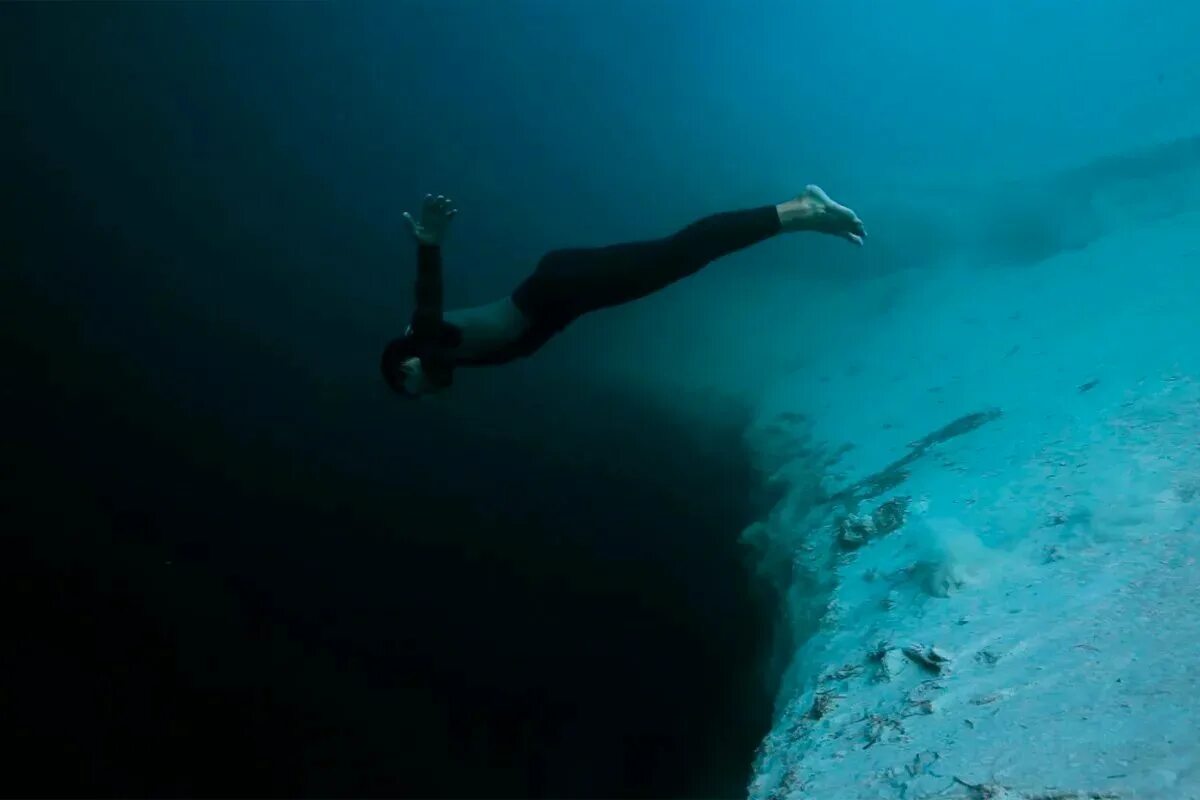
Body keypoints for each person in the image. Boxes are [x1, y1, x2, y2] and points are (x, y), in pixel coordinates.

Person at [381, 186, 866, 396]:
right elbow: (440, 378)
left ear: (407, 368)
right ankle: (801, 218)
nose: (422, 394)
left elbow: (427, 303)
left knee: (681, 253)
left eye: (410, 390)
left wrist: (429, 247)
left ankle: (799, 210)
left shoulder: (427, 342)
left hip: (563, 287)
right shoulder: (437, 355)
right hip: (566, 289)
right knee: (680, 255)